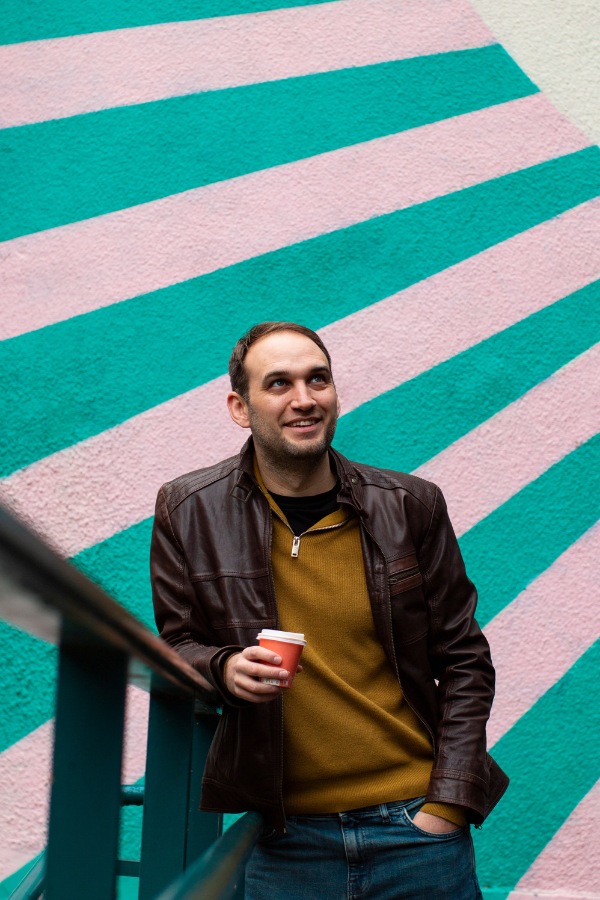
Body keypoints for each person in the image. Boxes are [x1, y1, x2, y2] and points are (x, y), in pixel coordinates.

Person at [150, 321, 508, 900]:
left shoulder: (410, 505)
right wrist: (222, 667)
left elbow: (466, 659)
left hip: (418, 833)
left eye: (318, 379)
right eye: (279, 384)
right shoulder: (188, 510)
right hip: (286, 840)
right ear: (240, 407)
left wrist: (448, 804)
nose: (304, 399)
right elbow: (176, 644)